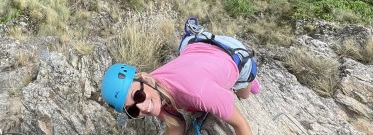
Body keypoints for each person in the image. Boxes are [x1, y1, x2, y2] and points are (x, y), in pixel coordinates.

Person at [101, 38, 260, 135]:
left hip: (233, 53)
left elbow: (240, 124)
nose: (143, 108)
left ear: (145, 79)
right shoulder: (155, 92)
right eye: (133, 110)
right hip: (197, 50)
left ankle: (252, 80)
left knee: (244, 93)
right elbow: (176, 122)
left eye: (137, 96)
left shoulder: (197, 93)